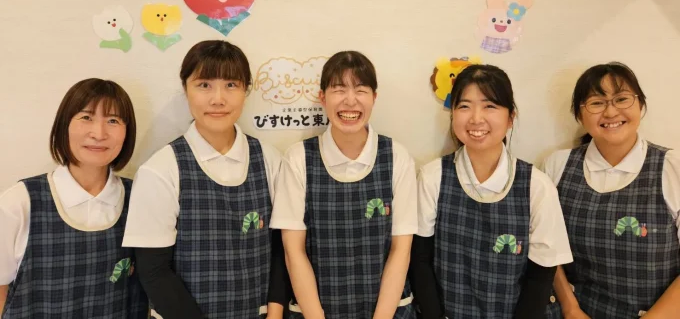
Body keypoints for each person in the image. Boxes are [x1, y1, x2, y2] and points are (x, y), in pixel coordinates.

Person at [122, 40, 289, 319]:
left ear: (246, 90)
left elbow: (281, 249)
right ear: (185, 89)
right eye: (204, 85)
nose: (218, 99)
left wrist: (275, 311)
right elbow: (154, 272)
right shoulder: (161, 169)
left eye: (231, 85)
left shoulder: (270, 160)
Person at [410, 64, 572, 318]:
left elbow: (540, 277)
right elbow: (420, 261)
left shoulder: (537, 186)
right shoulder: (432, 177)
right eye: (464, 106)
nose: (476, 118)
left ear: (511, 117)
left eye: (489, 106)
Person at [272, 50, 418, 319]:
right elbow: (294, 251)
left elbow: (401, 251)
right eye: (339, 89)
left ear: (374, 97)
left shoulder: (397, 157)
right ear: (322, 97)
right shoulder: (298, 158)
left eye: (360, 90)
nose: (350, 101)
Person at [0, 78, 148, 317]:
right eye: (86, 117)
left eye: (113, 120)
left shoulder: (142, 199)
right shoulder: (19, 203)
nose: (99, 133)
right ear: (64, 126)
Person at [544, 62, 680, 318]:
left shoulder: (672, 168)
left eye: (621, 99)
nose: (610, 111)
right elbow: (546, 246)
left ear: (640, 105)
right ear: (579, 115)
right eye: (596, 103)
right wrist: (571, 308)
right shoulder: (557, 166)